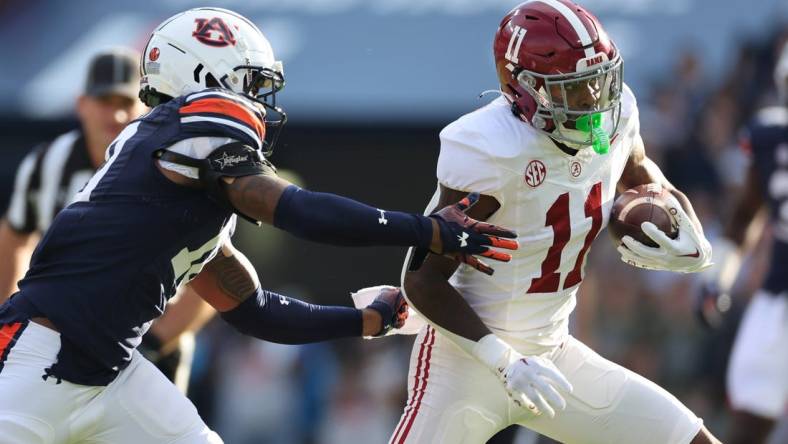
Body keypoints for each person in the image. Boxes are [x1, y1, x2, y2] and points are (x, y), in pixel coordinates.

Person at [0, 7, 518, 443]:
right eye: (252, 83)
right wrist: (425, 230)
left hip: (111, 371)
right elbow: (293, 209)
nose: (262, 104)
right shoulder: (190, 126)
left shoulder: (174, 189)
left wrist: (364, 321)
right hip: (36, 358)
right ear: (205, 81)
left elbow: (255, 311)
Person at [387, 1, 722, 443]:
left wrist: (687, 227)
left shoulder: (616, 115)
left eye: (598, 84)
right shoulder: (490, 150)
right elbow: (422, 281)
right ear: (523, 89)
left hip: (552, 353)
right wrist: (503, 361)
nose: (594, 102)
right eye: (573, 90)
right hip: (465, 360)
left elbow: (641, 174)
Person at [0, 48, 214, 392]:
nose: (115, 114)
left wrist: (155, 344)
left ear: (146, 105)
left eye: (125, 100)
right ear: (82, 103)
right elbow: (13, 236)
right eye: (104, 100)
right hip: (55, 343)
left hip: (147, 345)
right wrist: (9, 320)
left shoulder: (179, 167)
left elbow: (214, 268)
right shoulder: (47, 164)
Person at [697, 42, 788, 444]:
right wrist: (721, 276)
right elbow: (746, 217)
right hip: (778, 295)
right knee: (752, 416)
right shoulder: (770, 138)